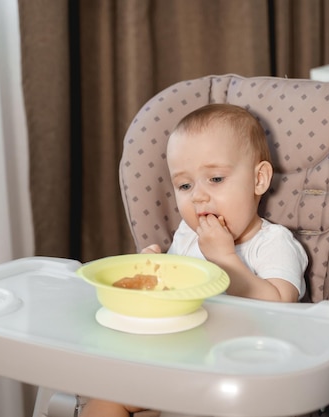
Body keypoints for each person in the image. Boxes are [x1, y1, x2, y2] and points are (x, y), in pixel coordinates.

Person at [80, 103, 308, 417]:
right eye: (185, 185)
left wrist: (226, 259)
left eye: (215, 179)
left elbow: (281, 307)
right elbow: (177, 303)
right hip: (177, 364)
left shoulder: (273, 243)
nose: (198, 196)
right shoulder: (187, 237)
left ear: (259, 179)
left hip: (241, 378)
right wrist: (153, 279)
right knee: (105, 398)